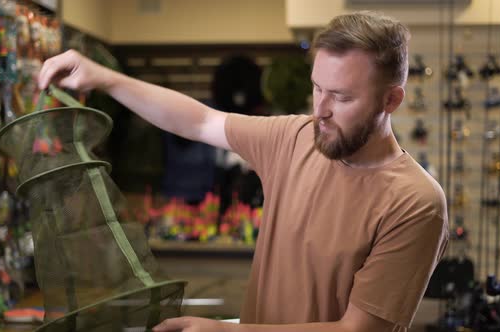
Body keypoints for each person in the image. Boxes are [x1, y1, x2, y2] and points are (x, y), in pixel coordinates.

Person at [38, 11, 448, 332]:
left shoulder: (415, 202)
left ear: (391, 100)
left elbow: (358, 329)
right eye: (317, 88)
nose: (319, 109)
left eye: (340, 97)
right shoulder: (295, 138)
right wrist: (104, 78)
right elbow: (198, 121)